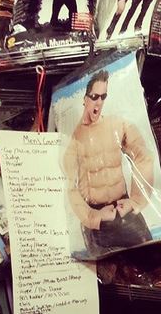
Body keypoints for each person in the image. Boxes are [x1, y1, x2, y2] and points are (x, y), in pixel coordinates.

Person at [62, 70, 154, 255]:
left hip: (124, 210)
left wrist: (136, 200)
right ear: (85, 99)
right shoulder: (73, 138)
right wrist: (93, 216)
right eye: (94, 96)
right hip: (97, 218)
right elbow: (69, 186)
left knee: (152, 258)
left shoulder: (117, 125)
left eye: (103, 97)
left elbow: (143, 156)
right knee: (105, 269)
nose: (99, 102)